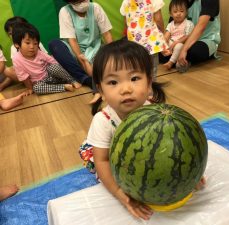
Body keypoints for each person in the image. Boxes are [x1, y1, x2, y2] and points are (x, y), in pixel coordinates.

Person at [79, 39, 166, 220]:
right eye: (113, 82)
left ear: (149, 82)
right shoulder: (103, 121)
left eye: (134, 78)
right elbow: (102, 160)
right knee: (95, 161)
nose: (126, 89)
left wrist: (189, 175)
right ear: (100, 90)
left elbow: (168, 144)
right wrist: (119, 192)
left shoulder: (154, 110)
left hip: (138, 151)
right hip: (103, 153)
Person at [48, 0, 113, 103]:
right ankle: (85, 79)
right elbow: (72, 40)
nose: (82, 3)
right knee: (54, 44)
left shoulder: (95, 8)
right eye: (78, 2)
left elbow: (107, 34)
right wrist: (83, 60)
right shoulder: (65, 11)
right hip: (75, 52)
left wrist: (113, 56)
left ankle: (91, 78)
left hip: (95, 49)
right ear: (70, 2)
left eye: (83, 0)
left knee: (109, 58)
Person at [12, 22, 81, 96]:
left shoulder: (39, 53)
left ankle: (72, 80)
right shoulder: (16, 59)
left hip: (52, 76)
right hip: (42, 83)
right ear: (16, 44)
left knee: (53, 67)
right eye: (28, 43)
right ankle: (64, 87)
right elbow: (24, 77)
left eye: (35, 43)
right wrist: (30, 89)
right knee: (36, 88)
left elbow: (54, 62)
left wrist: (60, 72)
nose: (32, 46)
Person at [120, 0, 168, 80]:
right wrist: (162, 33)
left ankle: (139, 87)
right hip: (151, 39)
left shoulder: (126, 1)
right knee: (152, 67)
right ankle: (151, 87)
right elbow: (158, 19)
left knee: (137, 66)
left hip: (134, 40)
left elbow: (126, 22)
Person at [0, 17, 49, 91]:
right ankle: (31, 85)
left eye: (16, 32)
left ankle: (41, 82)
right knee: (7, 70)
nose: (13, 35)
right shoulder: (13, 48)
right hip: (29, 78)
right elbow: (18, 70)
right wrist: (3, 85)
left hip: (42, 73)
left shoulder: (34, 44)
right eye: (10, 34)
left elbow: (47, 60)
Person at [176, 0, 221, 72]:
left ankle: (178, 58)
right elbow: (172, 23)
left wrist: (183, 50)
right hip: (184, 39)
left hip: (206, 40)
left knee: (195, 51)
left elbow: (201, 26)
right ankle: (178, 58)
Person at [163, 0, 194, 70]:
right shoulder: (170, 24)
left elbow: (187, 36)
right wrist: (164, 45)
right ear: (171, 14)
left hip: (181, 43)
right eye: (175, 11)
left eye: (181, 11)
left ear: (186, 12)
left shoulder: (188, 23)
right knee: (163, 44)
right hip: (172, 42)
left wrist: (175, 43)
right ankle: (169, 55)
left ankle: (170, 63)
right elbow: (167, 35)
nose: (178, 14)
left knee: (179, 46)